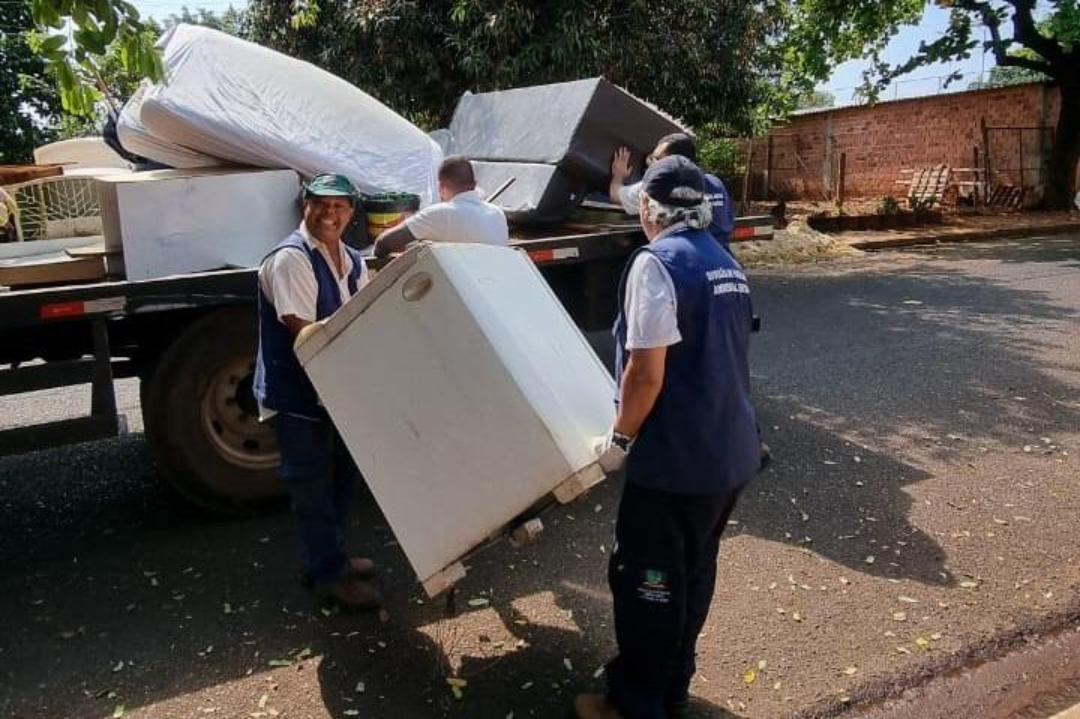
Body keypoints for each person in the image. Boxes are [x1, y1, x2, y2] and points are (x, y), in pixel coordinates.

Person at [576, 157, 760, 719]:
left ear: (648, 210)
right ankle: (673, 686)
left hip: (676, 460)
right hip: (728, 453)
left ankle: (633, 704)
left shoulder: (657, 264)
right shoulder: (724, 260)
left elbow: (646, 371)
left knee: (648, 582)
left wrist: (620, 440)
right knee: (694, 572)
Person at [253, 172, 380, 613]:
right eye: (321, 204)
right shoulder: (292, 259)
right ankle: (329, 576)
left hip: (336, 391)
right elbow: (304, 331)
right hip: (299, 396)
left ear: (350, 212)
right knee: (310, 483)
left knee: (343, 478)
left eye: (340, 206)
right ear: (305, 206)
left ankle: (330, 557)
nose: (331, 213)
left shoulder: (351, 259)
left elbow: (364, 317)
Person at [609, 133, 735, 247]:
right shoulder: (715, 182)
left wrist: (618, 176)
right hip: (721, 254)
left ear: (675, 160)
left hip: (688, 256)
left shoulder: (658, 185)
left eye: (657, 159)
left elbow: (616, 195)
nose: (651, 164)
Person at [372, 155, 509, 257]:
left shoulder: (440, 213)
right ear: (474, 184)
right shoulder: (497, 213)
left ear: (440, 187)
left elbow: (383, 244)